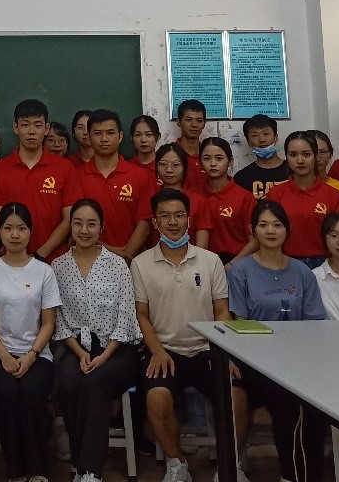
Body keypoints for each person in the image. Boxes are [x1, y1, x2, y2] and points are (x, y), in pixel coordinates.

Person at [131, 188, 232, 482]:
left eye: (179, 215)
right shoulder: (140, 264)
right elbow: (141, 315)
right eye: (165, 216)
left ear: (189, 219)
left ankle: (232, 464)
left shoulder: (210, 261)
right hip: (165, 350)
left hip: (206, 349)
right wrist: (157, 351)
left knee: (236, 393)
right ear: (155, 222)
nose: (173, 222)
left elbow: (222, 311)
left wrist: (221, 350)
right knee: (157, 396)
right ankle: (177, 463)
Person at [228, 200, 328, 482]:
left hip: (297, 361)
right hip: (255, 362)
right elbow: (239, 322)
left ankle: (310, 476)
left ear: (287, 230)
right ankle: (289, 474)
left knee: (315, 406)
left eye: (277, 225)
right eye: (263, 225)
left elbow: (313, 325)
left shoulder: (302, 273)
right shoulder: (241, 272)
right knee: (286, 401)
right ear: (253, 230)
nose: (270, 231)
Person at [51, 198, 141, 482]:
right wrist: (80, 353)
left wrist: (104, 355)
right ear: (70, 226)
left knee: (94, 381)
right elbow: (58, 319)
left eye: (91, 224)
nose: (84, 230)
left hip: (117, 348)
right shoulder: (58, 266)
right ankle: (80, 465)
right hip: (76, 346)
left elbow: (126, 316)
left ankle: (90, 471)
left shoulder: (117, 265)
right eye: (78, 223)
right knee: (68, 382)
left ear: (101, 228)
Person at [0, 202, 61, 482]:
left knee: (31, 394)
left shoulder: (44, 271)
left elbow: (48, 322)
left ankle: (37, 470)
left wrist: (31, 355)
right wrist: (4, 356)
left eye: (21, 228)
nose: (15, 235)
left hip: (36, 354)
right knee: (6, 395)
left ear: (31, 232)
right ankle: (15, 471)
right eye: (8, 228)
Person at [0, 98, 82, 260]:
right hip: (13, 260)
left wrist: (39, 255)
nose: (31, 131)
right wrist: (23, 257)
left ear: (46, 128)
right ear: (15, 127)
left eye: (37, 125)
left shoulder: (65, 168)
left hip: (56, 260)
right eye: (25, 125)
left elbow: (69, 220)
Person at [260, 131, 339, 267]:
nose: (300, 161)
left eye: (306, 154)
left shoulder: (333, 195)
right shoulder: (275, 194)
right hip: (284, 262)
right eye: (293, 155)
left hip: (326, 264)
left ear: (316, 156)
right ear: (286, 157)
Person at [75, 108, 154, 260]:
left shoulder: (141, 176)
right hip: (87, 260)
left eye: (110, 133)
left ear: (120, 136)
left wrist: (127, 254)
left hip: (132, 260)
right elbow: (74, 223)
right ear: (89, 137)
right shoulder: (76, 175)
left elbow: (144, 224)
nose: (104, 139)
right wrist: (106, 250)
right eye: (97, 133)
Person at [200, 137, 255, 268]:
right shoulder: (194, 195)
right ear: (200, 162)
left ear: (230, 161)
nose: (213, 164)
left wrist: (232, 265)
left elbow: (255, 241)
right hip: (203, 264)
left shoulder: (245, 197)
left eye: (219, 158)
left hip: (238, 264)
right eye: (207, 159)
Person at [153, 144, 212, 249]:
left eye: (176, 165)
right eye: (163, 164)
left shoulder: (198, 201)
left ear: (185, 168)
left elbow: (202, 245)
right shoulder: (151, 198)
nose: (169, 170)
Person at [232, 114, 289, 199]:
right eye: (254, 135)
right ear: (249, 142)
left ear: (276, 137)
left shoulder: (293, 171)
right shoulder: (242, 177)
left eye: (266, 134)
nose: (262, 139)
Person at [172, 100, 208, 193]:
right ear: (179, 122)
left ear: (204, 124)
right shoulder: (168, 155)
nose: (194, 125)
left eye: (199, 120)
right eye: (188, 120)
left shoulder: (209, 155)